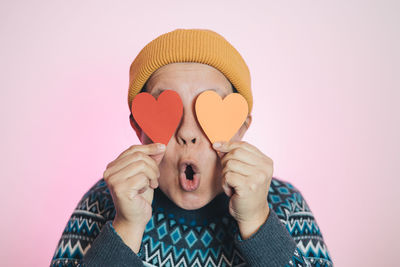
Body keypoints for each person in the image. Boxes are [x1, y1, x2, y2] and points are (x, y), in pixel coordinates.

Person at [50, 29, 333, 267]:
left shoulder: (285, 204)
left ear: (241, 128)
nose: (187, 132)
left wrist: (259, 223)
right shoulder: (102, 204)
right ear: (140, 128)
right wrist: (125, 230)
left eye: (208, 110)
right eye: (169, 111)